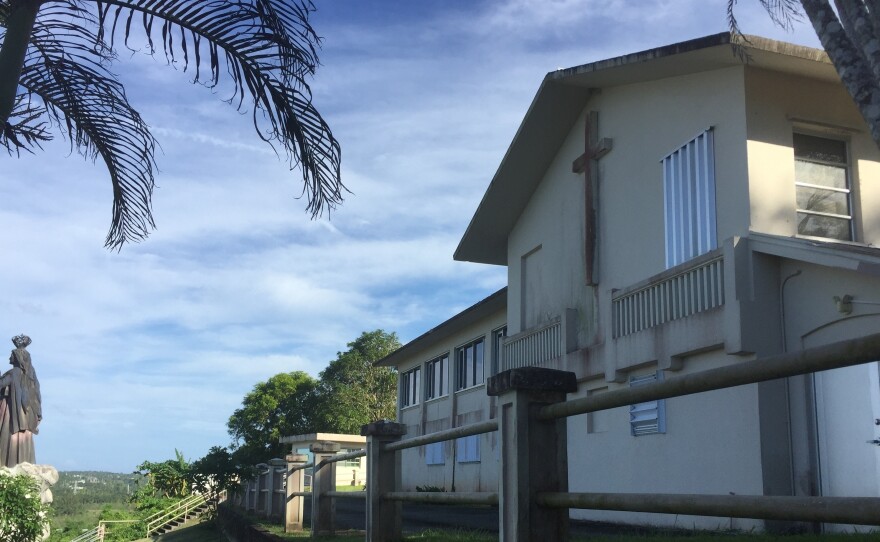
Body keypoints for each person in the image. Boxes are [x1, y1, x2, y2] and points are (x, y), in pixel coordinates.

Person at [0, 334, 42, 467]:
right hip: (27, 417)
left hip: (11, 415)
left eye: (11, 355)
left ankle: (7, 465)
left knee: (8, 439)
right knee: (24, 441)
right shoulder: (31, 376)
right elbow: (37, 396)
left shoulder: (13, 373)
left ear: (17, 357)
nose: (9, 358)